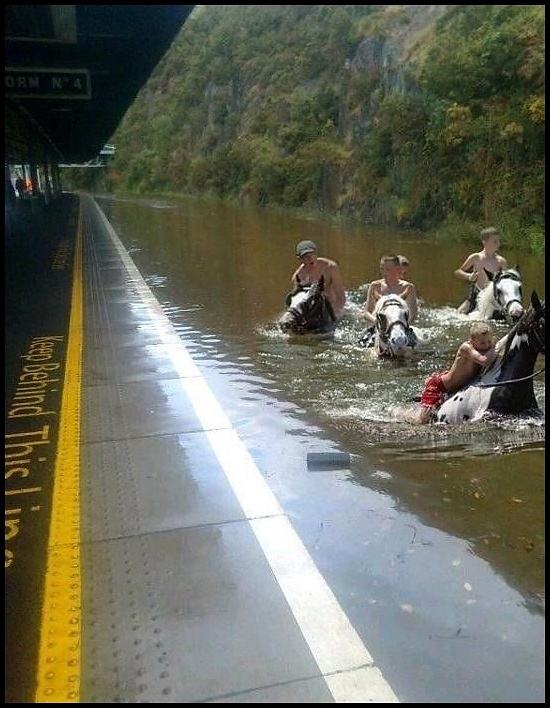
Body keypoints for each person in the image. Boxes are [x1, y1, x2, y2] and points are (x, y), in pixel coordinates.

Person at [417, 321, 497, 423]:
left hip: (458, 385)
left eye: (489, 341)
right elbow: (485, 361)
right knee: (422, 420)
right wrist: (494, 346)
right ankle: (400, 413)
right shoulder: (466, 348)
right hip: (440, 386)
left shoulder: (487, 349)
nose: (487, 345)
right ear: (472, 341)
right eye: (482, 343)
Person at [359, 254, 418, 347]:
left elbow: (413, 314)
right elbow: (366, 312)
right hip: (379, 328)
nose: (384, 272)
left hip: (401, 327)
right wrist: (377, 322)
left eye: (388, 270)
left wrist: (401, 326)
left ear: (398, 269)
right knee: (363, 346)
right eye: (382, 269)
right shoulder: (375, 286)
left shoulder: (408, 287)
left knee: (414, 347)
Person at [454, 227, 508, 314]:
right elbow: (458, 272)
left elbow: (507, 281)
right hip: (476, 293)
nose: (498, 244)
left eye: (498, 241)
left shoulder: (501, 261)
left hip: (493, 296)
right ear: (484, 242)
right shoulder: (476, 257)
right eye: (494, 241)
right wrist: (468, 276)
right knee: (458, 314)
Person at [291, 240, 346, 319]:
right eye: (306, 256)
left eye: (312, 255)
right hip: (313, 311)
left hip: (333, 306)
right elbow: (298, 302)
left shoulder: (330, 267)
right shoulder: (298, 277)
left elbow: (341, 296)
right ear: (300, 259)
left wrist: (336, 312)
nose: (311, 259)